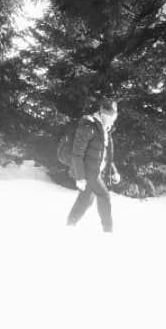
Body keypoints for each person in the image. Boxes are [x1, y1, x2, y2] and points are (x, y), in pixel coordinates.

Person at [66, 97, 121, 232]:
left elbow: (106, 155)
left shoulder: (105, 130)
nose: (110, 119)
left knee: (86, 200)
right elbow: (77, 154)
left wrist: (114, 171)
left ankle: (70, 225)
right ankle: (108, 231)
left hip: (95, 170)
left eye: (113, 116)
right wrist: (80, 177)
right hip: (88, 171)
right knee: (104, 196)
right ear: (101, 113)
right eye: (107, 116)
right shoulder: (89, 127)